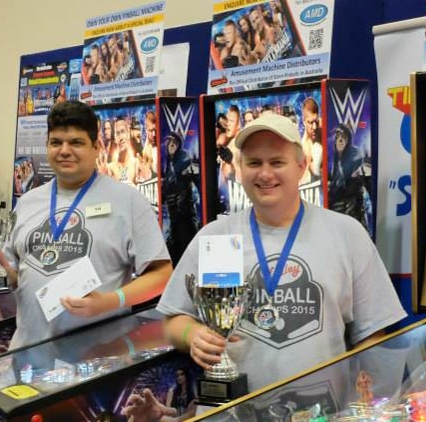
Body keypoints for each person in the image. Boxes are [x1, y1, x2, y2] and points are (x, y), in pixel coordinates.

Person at [157, 114, 406, 391]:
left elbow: (373, 332)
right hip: (232, 411)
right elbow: (172, 321)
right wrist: (193, 334)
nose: (265, 174)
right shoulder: (217, 237)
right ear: (239, 168)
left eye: (277, 162)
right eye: (254, 163)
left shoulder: (346, 234)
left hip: (319, 411)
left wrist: (366, 394)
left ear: (301, 166)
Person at [0, 101, 171, 349]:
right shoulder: (28, 201)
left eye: (76, 142)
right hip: (29, 352)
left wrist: (109, 301)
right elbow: (16, 274)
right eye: (56, 142)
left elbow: (162, 275)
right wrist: (3, 273)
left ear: (96, 147)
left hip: (99, 358)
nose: (65, 151)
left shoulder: (127, 201)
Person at [162, 132, 199, 264]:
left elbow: (196, 180)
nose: (171, 144)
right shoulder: (167, 161)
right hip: (173, 217)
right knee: (174, 254)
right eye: (169, 141)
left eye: (174, 142)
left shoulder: (184, 158)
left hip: (185, 215)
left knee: (185, 254)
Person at [328, 124, 368, 230]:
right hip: (333, 216)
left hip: (352, 215)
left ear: (348, 140)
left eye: (343, 136)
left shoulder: (355, 156)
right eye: (338, 136)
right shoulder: (330, 162)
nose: (341, 139)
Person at [301, 98, 323, 184]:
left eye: (316, 122)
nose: (314, 127)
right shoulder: (304, 146)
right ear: (304, 122)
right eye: (310, 122)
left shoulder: (324, 128)